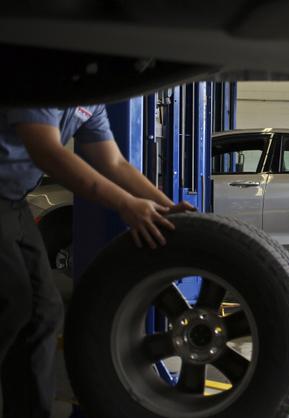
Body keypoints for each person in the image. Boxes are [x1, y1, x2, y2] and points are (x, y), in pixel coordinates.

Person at [0, 106, 193, 417]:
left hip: (13, 200)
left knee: (43, 312)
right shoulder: (41, 75)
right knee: (13, 304)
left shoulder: (93, 100)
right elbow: (47, 153)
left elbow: (113, 162)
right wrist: (125, 204)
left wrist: (165, 208)